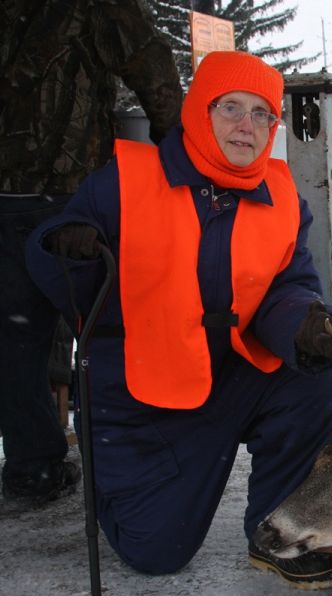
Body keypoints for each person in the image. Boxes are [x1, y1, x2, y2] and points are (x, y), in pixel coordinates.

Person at [26, 51, 332, 589]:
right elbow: (62, 279)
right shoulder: (124, 180)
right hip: (142, 397)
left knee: (318, 381)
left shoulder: (282, 194)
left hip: (233, 379)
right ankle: (121, 477)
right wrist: (69, 251)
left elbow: (286, 287)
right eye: (230, 108)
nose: (247, 126)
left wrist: (304, 325)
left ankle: (276, 529)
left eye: (262, 113)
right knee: (155, 552)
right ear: (199, 109)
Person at [0, 0, 183, 502]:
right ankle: (125, 460)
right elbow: (148, 59)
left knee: (17, 339)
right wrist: (176, 146)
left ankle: (34, 466)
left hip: (11, 195)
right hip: (75, 195)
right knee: (111, 328)